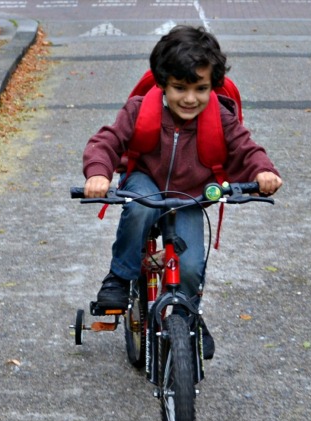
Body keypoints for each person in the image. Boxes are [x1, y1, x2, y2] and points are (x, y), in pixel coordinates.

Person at [82, 25, 282, 358]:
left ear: (212, 86)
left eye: (201, 88)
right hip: (146, 181)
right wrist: (98, 174)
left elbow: (245, 148)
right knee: (141, 208)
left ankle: (188, 312)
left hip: (191, 193)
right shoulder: (139, 109)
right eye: (179, 88)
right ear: (162, 82)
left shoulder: (219, 114)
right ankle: (119, 275)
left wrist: (263, 171)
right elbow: (107, 141)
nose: (190, 99)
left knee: (189, 266)